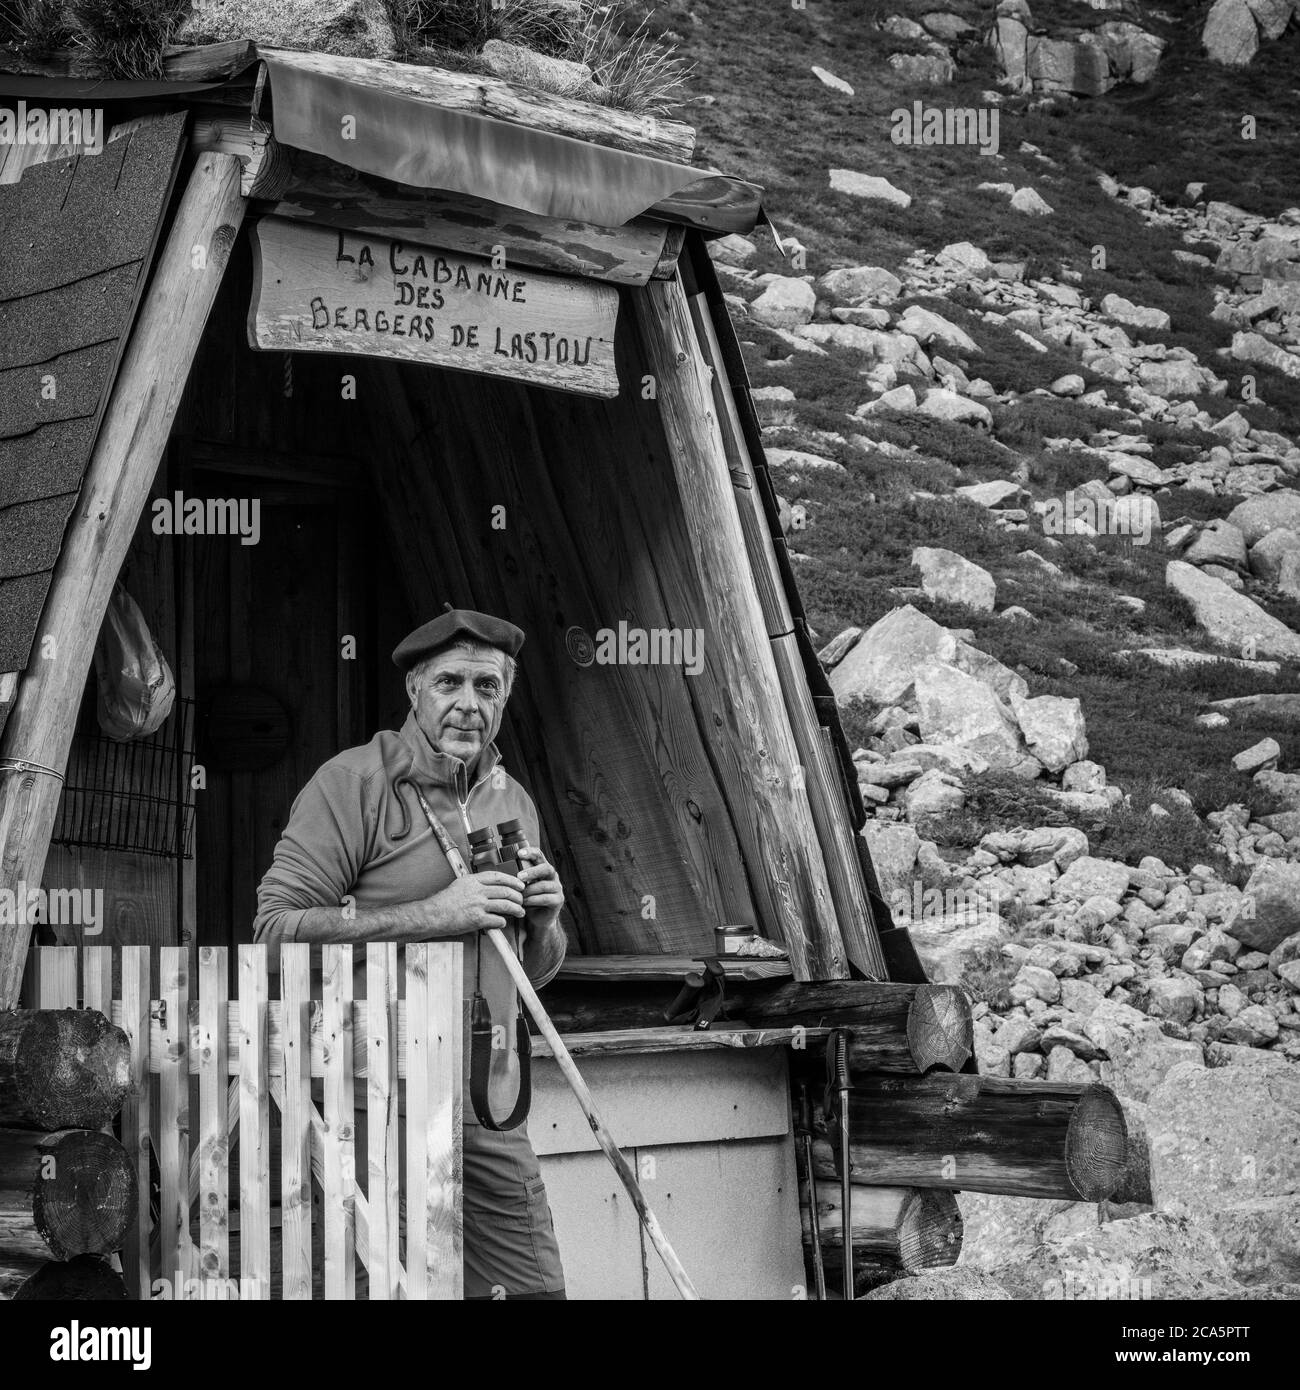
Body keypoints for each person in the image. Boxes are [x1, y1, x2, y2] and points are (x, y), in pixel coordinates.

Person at [253, 606, 568, 1299]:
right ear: (415, 692)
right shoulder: (353, 784)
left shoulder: (510, 798)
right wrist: (433, 914)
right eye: (450, 682)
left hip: (489, 1101)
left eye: (487, 688)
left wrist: (543, 924)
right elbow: (274, 931)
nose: (468, 703)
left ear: (505, 698)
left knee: (532, 1289)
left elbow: (530, 972)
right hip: (374, 1098)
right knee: (383, 1287)